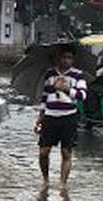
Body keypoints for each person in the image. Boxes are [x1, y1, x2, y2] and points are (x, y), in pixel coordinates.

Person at [34, 45, 87, 190]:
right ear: (59, 58)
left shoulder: (78, 75)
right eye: (64, 57)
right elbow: (45, 97)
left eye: (69, 58)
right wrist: (40, 117)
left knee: (66, 152)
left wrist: (67, 89)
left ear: (73, 59)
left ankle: (63, 183)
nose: (66, 60)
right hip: (50, 116)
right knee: (43, 151)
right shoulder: (50, 74)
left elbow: (82, 95)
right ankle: (45, 180)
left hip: (69, 116)